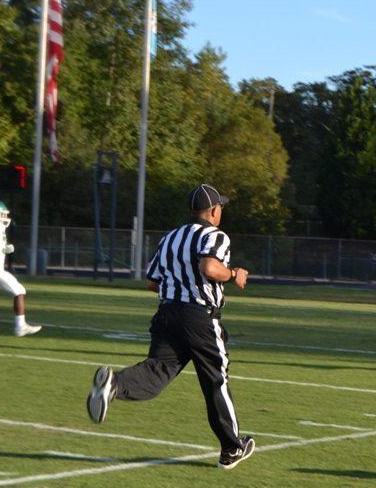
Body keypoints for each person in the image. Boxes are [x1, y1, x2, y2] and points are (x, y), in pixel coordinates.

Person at [86, 184, 254, 469]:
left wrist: (178, 289)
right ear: (213, 211)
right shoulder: (216, 235)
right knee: (216, 380)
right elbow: (209, 268)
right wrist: (234, 274)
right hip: (199, 317)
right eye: (220, 208)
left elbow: (152, 282)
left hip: (167, 314)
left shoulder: (170, 238)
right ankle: (231, 447)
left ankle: (115, 385)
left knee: (158, 369)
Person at [0, 200, 42, 337]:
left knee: (19, 291)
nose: (4, 217)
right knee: (19, 291)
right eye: (1, 214)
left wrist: (3, 249)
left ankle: (21, 325)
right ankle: (20, 326)